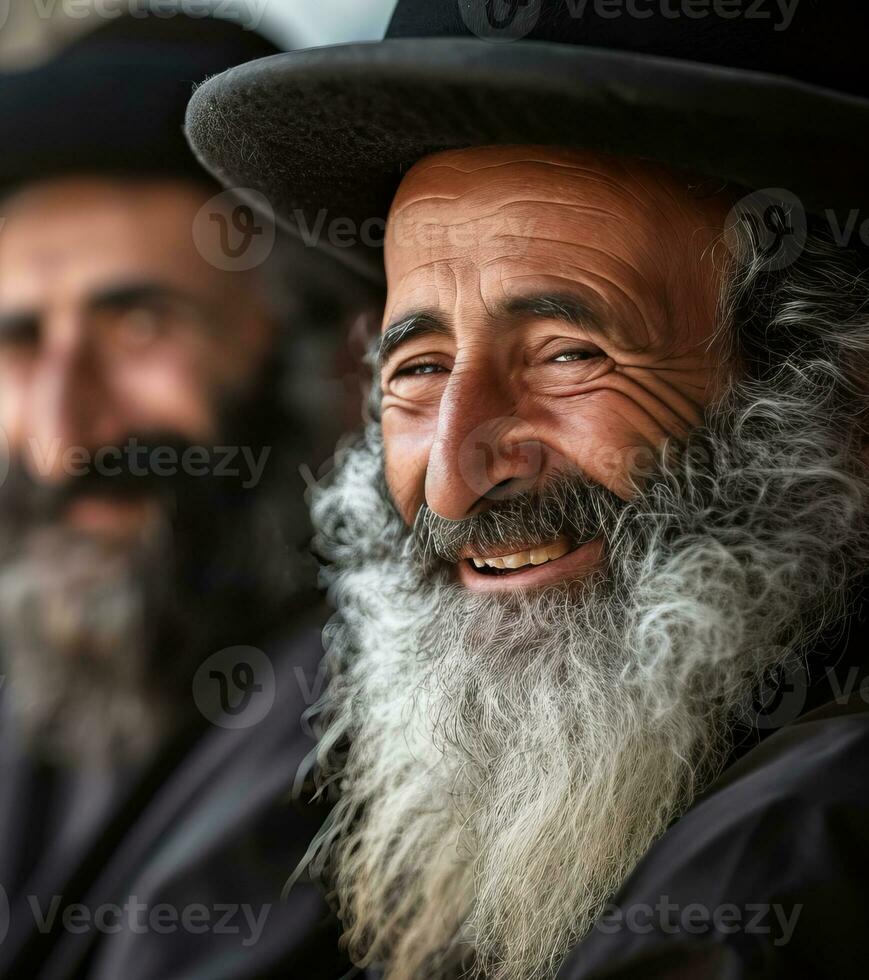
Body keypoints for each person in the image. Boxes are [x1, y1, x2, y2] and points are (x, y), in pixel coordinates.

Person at [186, 1, 869, 978]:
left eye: (566, 354)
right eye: (415, 367)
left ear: (833, 393)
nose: (456, 472)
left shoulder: (777, 870)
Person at [0, 10, 378, 979]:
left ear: (333, 358)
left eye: (137, 325)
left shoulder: (361, 747)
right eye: (18, 344)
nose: (61, 431)